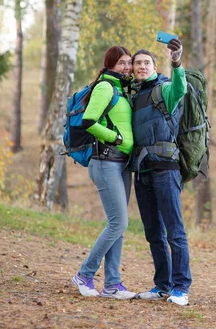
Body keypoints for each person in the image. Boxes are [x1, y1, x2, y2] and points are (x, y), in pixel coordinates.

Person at [71, 46, 136, 299]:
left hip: (122, 164)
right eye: (122, 63)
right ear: (110, 65)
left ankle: (112, 284)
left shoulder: (121, 90)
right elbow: (89, 120)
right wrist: (116, 138)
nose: (127, 67)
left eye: (129, 63)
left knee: (117, 226)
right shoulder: (105, 88)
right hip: (106, 161)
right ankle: (84, 275)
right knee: (119, 222)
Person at [130, 39, 192, 306]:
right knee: (153, 232)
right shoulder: (133, 94)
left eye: (146, 62)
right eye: (137, 63)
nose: (142, 66)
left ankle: (181, 288)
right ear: (132, 69)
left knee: (174, 231)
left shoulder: (164, 89)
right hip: (142, 172)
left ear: (154, 67)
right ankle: (162, 285)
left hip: (166, 170)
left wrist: (176, 61)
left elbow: (180, 88)